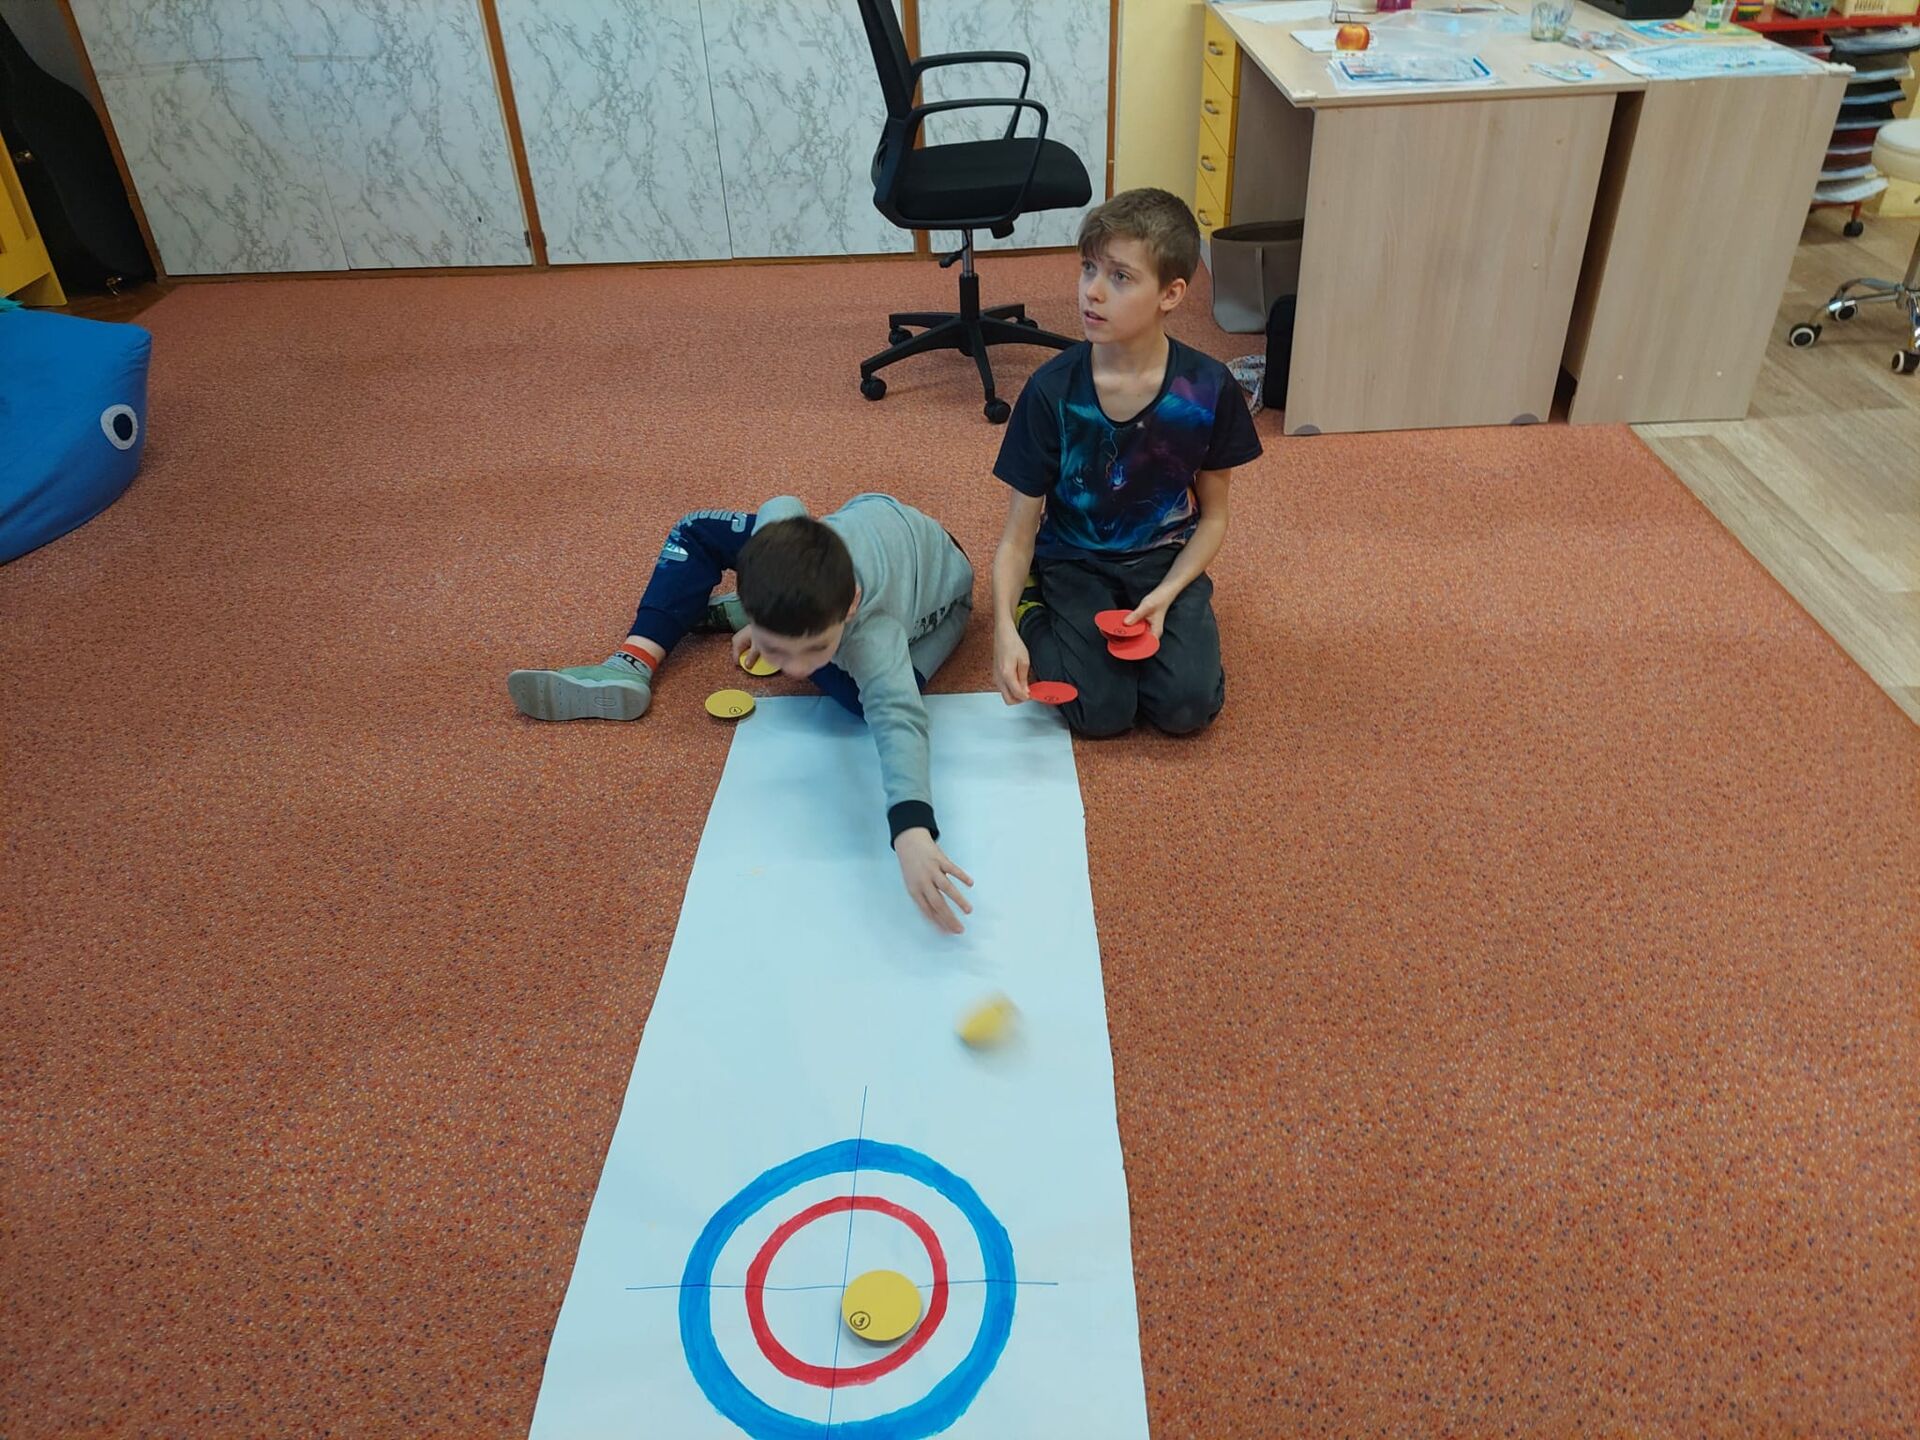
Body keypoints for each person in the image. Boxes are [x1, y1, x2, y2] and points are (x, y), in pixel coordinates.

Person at [507, 495, 979, 933]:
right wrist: (773, 628)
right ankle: (635, 658)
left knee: (865, 701)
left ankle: (760, 622)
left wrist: (911, 830)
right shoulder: (777, 534)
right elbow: (783, 502)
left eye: (815, 648)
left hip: (942, 590)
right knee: (695, 530)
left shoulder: (874, 634)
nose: (795, 672)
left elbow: (899, 720)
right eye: (778, 650)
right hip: (842, 547)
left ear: (851, 605)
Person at [990, 188, 1263, 736]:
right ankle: (1035, 607)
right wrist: (1004, 629)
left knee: (1187, 709)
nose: (1091, 291)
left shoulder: (1208, 389)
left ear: (1171, 293)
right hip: (1073, 559)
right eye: (1088, 268)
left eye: (1120, 277)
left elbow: (1213, 517)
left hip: (1162, 559)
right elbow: (1019, 535)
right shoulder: (1051, 391)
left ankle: (1161, 630)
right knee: (1100, 713)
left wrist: (1168, 593)